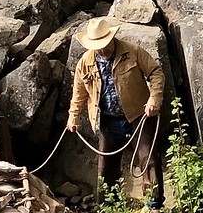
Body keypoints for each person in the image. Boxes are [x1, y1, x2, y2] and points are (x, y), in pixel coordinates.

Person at [65, 15, 165, 203]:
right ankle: (109, 208)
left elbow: (155, 72)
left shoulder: (132, 51)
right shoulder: (84, 63)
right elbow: (79, 94)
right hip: (108, 121)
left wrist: (154, 99)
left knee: (148, 158)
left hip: (138, 115)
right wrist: (73, 117)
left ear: (111, 38)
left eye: (104, 44)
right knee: (105, 169)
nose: (102, 49)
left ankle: (155, 205)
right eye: (97, 46)